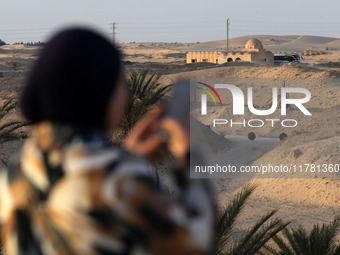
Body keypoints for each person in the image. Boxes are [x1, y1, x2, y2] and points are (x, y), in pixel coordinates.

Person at [0, 28, 214, 255]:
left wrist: (128, 157)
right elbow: (196, 241)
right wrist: (190, 154)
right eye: (119, 81)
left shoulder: (13, 175)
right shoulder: (119, 179)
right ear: (98, 90)